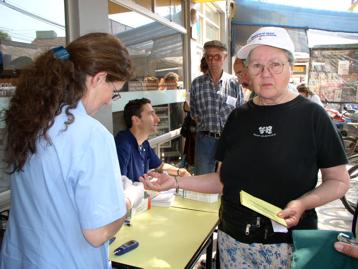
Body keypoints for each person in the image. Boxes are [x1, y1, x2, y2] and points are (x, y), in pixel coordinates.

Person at [141, 27, 350, 268]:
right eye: (257, 66)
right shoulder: (238, 118)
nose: (266, 73)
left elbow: (338, 181)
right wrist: (175, 182)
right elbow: (222, 180)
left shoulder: (313, 116)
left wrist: (303, 203)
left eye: (276, 64)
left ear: (290, 68)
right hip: (233, 240)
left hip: (288, 246)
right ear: (247, 71)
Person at [0, 33, 132, 268]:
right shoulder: (91, 135)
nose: (109, 101)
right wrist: (128, 201)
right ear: (98, 78)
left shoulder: (25, 123)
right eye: (114, 90)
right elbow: (98, 233)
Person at [190, 40, 243, 175]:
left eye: (217, 57)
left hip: (229, 140)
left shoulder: (235, 83)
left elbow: (241, 112)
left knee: (228, 179)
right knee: (202, 179)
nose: (213, 61)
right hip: (205, 140)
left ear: (224, 58)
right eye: (209, 57)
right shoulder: (196, 84)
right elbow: (194, 113)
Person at [114, 98, 190, 182]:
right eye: (151, 114)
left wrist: (179, 171)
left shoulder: (144, 143)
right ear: (136, 120)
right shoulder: (122, 145)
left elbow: (160, 166)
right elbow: (120, 184)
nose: (158, 119)